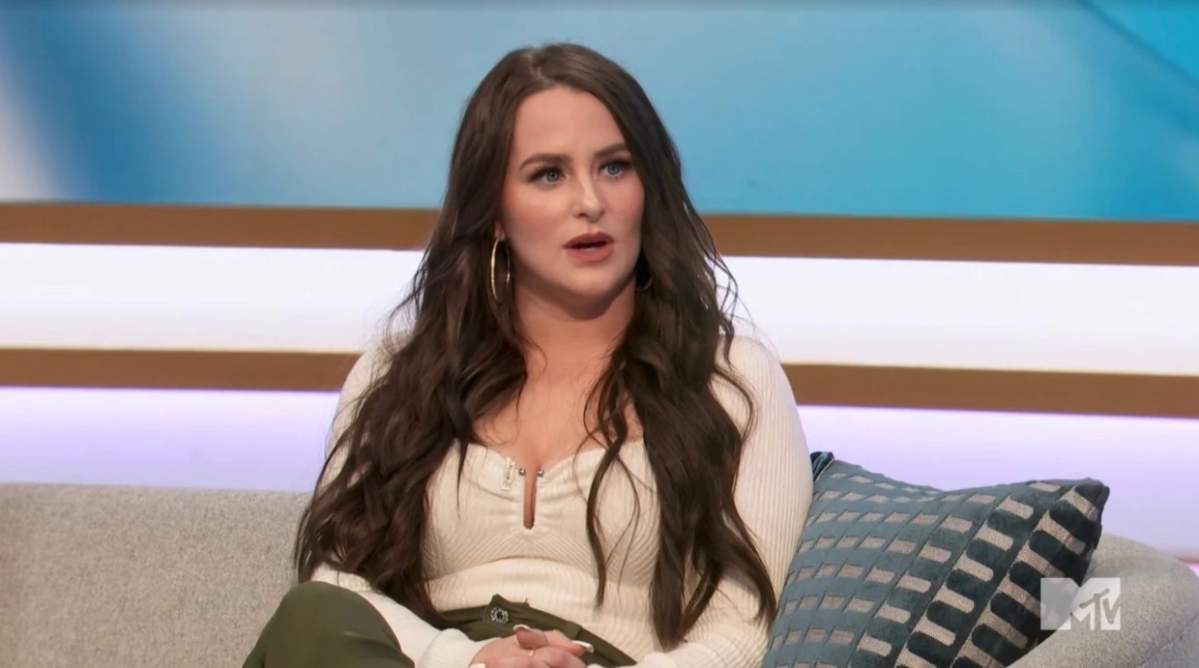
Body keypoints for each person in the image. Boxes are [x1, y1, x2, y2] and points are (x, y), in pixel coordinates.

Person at [244, 42, 812, 668]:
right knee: (311, 617)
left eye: (615, 167)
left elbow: (746, 630)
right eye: (549, 174)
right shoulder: (397, 374)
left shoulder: (730, 379)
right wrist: (465, 660)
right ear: (493, 212)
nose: (590, 201)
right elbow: (336, 579)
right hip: (425, 661)